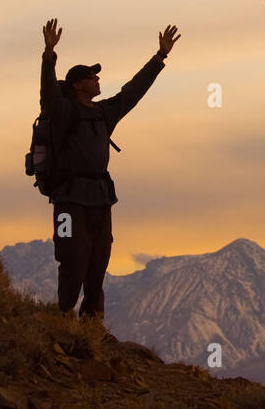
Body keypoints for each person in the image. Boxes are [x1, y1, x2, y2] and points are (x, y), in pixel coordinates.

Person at [40, 17, 180, 324]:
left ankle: (92, 324)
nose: (97, 79)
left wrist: (159, 57)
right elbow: (49, 93)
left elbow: (133, 91)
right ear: (77, 85)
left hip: (101, 199)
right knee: (72, 257)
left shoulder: (104, 113)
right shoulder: (63, 112)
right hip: (68, 199)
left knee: (98, 260)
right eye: (91, 76)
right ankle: (62, 319)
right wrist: (49, 56)